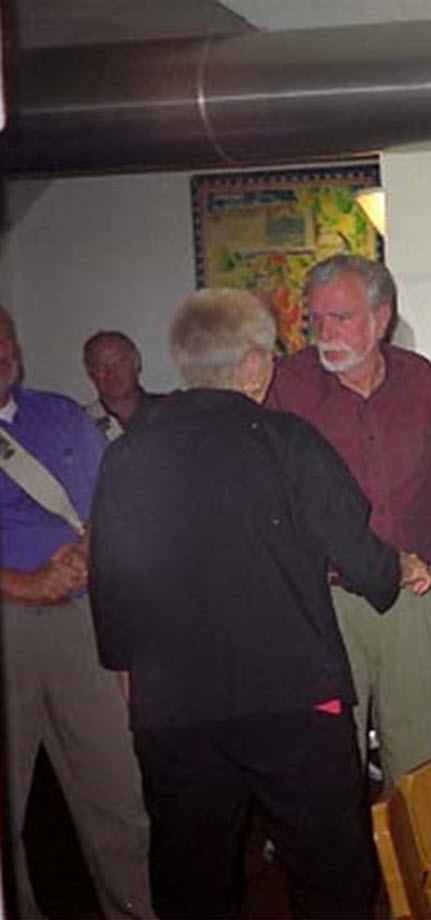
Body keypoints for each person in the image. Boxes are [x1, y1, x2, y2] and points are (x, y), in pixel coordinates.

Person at [89, 289, 431, 919]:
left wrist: (129, 678)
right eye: (269, 355)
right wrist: (403, 568)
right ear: (250, 365)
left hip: (174, 704)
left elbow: (108, 579)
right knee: (328, 874)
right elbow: (357, 555)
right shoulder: (285, 439)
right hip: (292, 698)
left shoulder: (127, 452)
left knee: (191, 876)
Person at [267, 254, 431, 786]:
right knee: (331, 760)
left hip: (416, 590)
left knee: (422, 766)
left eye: (340, 317)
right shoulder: (287, 385)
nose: (324, 333)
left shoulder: (419, 378)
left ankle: (419, 847)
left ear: (381, 319)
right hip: (324, 599)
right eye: (315, 319)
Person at [0, 305, 154, 920]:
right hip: (7, 626)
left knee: (116, 785)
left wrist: (87, 558)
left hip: (80, 620)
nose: (1, 352)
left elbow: (111, 504)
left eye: (5, 338)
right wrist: (23, 583)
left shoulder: (60, 414)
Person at [82, 330, 161, 441]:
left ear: (137, 363)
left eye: (119, 363)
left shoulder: (171, 411)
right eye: (100, 366)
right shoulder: (79, 424)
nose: (111, 374)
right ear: (90, 373)